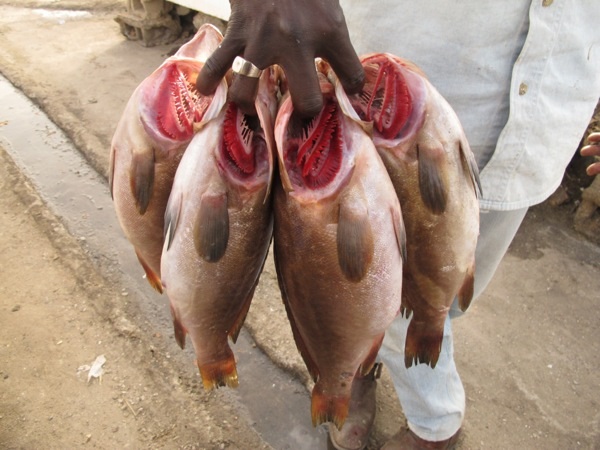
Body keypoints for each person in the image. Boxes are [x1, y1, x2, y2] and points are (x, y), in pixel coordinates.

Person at [197, 1, 600, 449]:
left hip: (551, 104)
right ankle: (425, 415)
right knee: (366, 282)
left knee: (445, 293)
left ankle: (361, 356)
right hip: (389, 88)